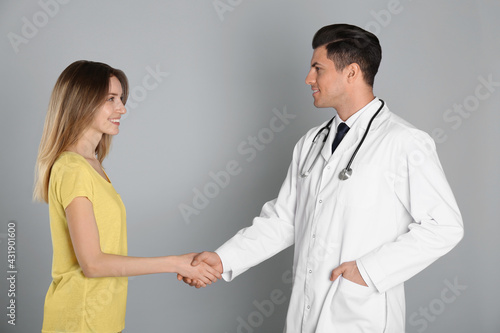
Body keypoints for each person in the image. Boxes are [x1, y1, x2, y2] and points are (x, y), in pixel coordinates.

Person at [178, 24, 464, 332]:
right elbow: (284, 220)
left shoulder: (403, 141)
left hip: (360, 312)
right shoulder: (312, 142)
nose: (308, 79)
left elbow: (445, 227)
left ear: (351, 73)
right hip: (306, 311)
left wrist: (367, 271)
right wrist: (223, 260)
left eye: (318, 69)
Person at [33, 60, 221, 333]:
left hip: (101, 320)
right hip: (79, 320)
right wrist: (175, 263)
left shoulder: (91, 165)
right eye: (110, 99)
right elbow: (93, 264)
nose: (122, 108)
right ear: (81, 102)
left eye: (121, 98)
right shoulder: (73, 169)